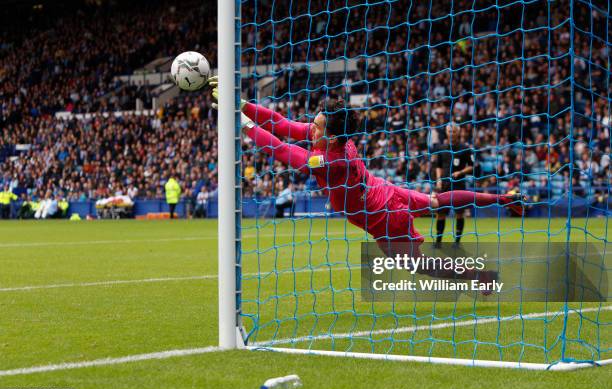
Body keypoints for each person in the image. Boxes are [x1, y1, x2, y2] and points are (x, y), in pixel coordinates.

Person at [208, 77, 525, 289]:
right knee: (435, 201)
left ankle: (478, 279)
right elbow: (282, 124)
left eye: (316, 127)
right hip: (383, 191)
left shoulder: (331, 162)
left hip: (383, 219)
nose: (310, 130)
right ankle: (503, 199)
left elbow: (280, 149)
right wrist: (242, 103)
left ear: (330, 134)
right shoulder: (334, 141)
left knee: (419, 265)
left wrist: (242, 123)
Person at [434, 122, 474, 248]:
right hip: (444, 184)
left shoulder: (465, 148)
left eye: (454, 131)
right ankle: (438, 242)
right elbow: (438, 166)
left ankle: (457, 242)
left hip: (458, 185)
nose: (451, 134)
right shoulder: (441, 147)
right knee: (440, 213)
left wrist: (461, 172)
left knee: (459, 213)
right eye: (449, 131)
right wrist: (438, 179)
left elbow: (472, 166)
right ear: (446, 132)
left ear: (459, 132)